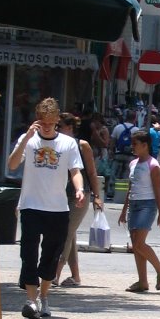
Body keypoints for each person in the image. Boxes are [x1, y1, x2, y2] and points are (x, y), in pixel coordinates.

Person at [7, 97, 85, 319]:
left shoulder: (68, 144)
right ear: (37, 120)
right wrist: (26, 140)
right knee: (28, 253)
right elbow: (12, 165)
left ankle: (43, 295)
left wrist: (79, 189)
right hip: (31, 205)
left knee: (51, 255)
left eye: (52, 123)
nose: (48, 127)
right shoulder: (28, 140)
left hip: (57, 208)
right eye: (44, 123)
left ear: (57, 121)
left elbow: (75, 171)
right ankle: (30, 300)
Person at [54, 113, 103, 287]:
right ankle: (76, 277)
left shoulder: (82, 145)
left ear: (70, 128)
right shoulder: (55, 145)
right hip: (60, 194)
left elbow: (91, 172)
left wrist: (97, 197)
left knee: (65, 232)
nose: (56, 129)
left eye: (59, 126)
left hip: (80, 195)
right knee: (70, 234)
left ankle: (55, 273)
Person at [119, 130, 160, 293]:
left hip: (147, 205)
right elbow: (130, 187)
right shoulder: (133, 164)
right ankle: (142, 281)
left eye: (135, 144)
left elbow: (157, 190)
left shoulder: (153, 165)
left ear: (145, 145)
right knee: (135, 244)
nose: (132, 147)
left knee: (140, 243)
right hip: (134, 204)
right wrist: (124, 209)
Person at [110, 109, 139, 184]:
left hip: (118, 154)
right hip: (131, 156)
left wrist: (111, 152)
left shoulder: (118, 127)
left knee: (114, 174)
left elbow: (112, 142)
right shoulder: (136, 130)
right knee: (127, 175)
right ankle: (124, 191)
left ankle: (111, 190)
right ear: (135, 118)